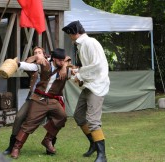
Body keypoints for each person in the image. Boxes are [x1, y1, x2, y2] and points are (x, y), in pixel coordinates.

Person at [3, 47, 70, 156]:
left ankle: (48, 141)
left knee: (61, 117)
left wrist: (65, 65)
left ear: (46, 54)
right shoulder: (41, 65)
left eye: (40, 52)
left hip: (53, 100)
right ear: (53, 59)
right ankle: (15, 147)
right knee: (27, 121)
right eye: (35, 52)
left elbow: (74, 69)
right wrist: (18, 63)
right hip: (36, 98)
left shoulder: (64, 67)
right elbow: (29, 65)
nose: (62, 62)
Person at [62, 20, 110, 162]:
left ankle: (102, 155)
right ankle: (94, 144)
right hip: (89, 84)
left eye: (69, 34)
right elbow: (89, 66)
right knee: (78, 116)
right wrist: (78, 71)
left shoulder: (90, 43)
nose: (69, 37)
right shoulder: (82, 44)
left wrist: (79, 74)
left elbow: (97, 65)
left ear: (74, 33)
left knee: (93, 121)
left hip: (97, 85)